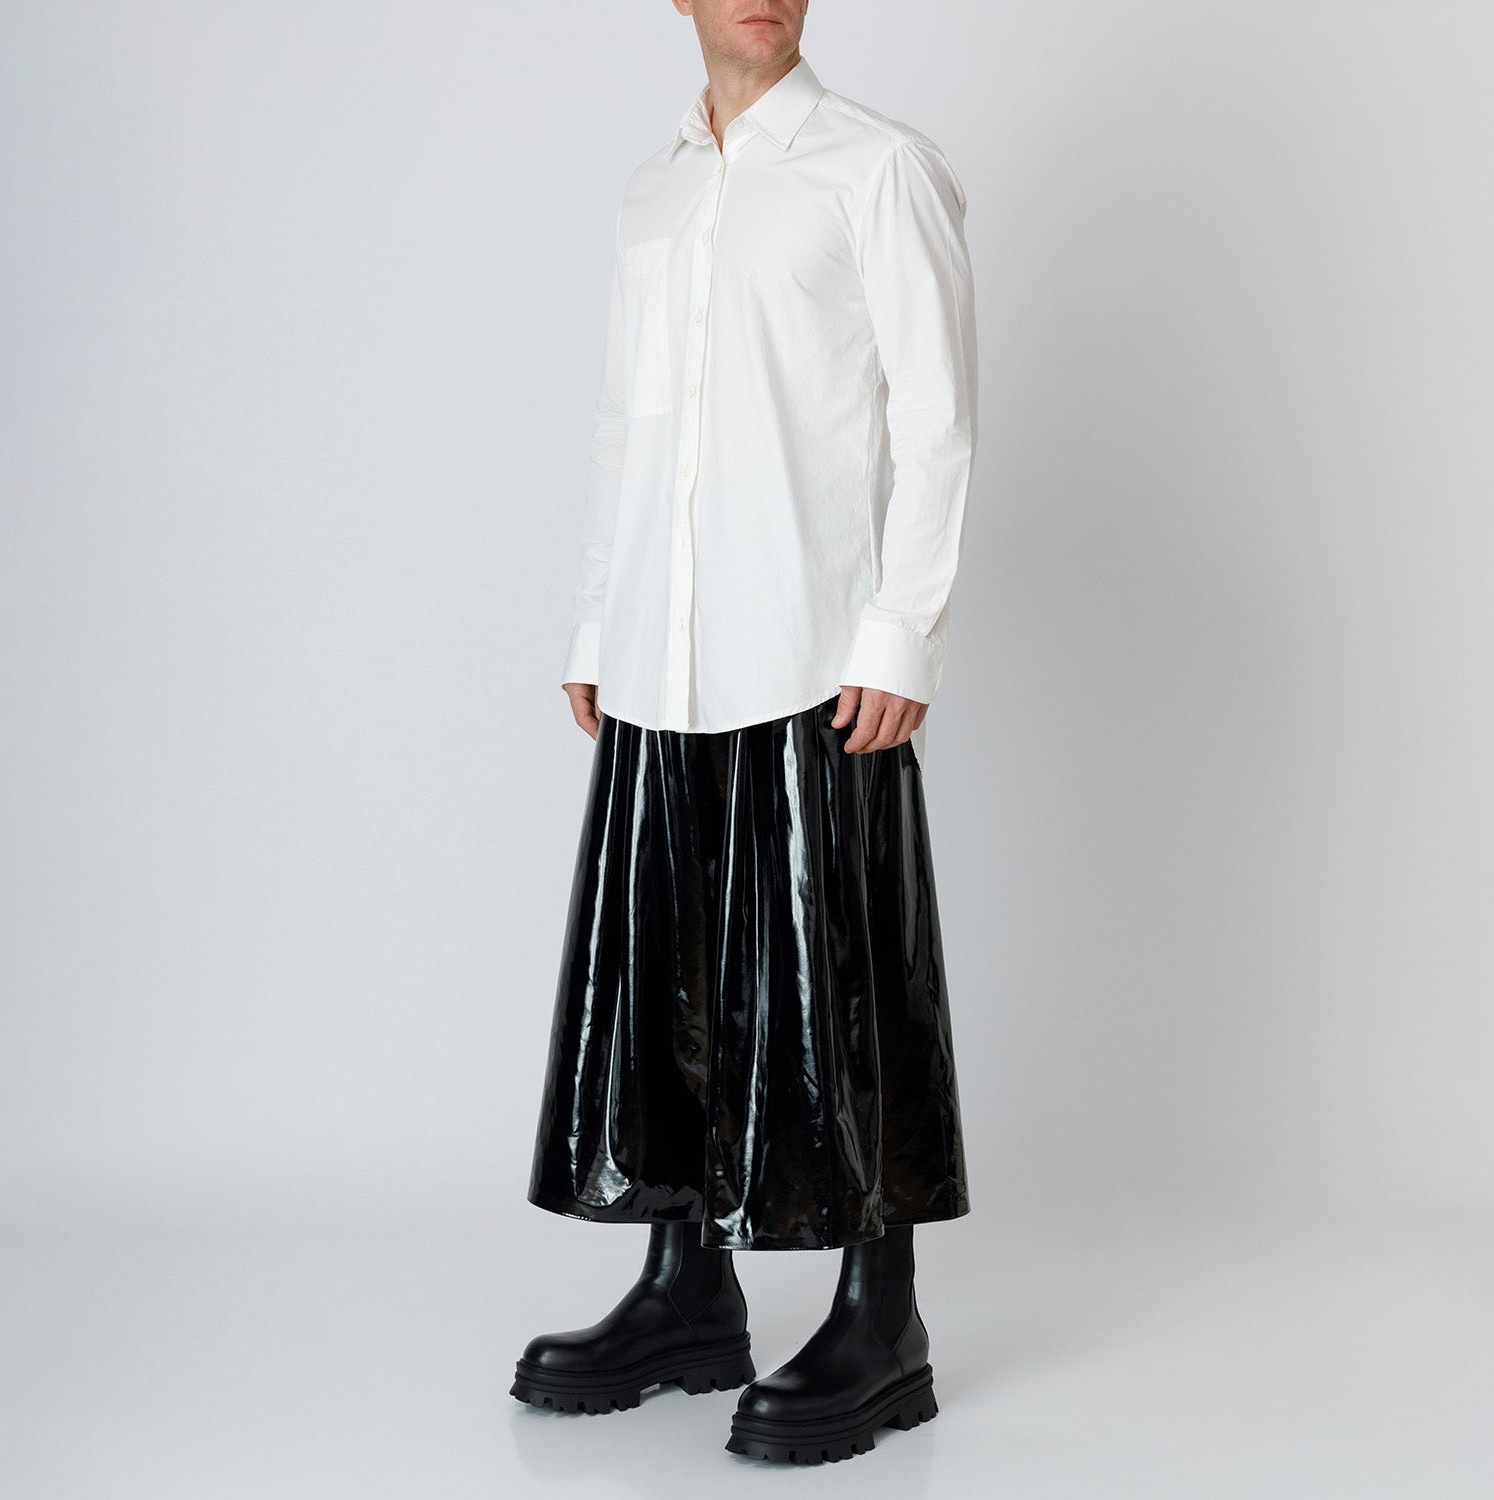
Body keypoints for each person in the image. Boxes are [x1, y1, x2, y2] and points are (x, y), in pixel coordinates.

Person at [511, 0, 979, 1466]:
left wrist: (900, 632)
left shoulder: (878, 168)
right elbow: (628, 421)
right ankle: (686, 1294)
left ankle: (882, 1320)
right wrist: (599, 620)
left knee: (844, 975)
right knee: (667, 970)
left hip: (811, 651)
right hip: (663, 647)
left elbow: (939, 417)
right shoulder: (653, 189)